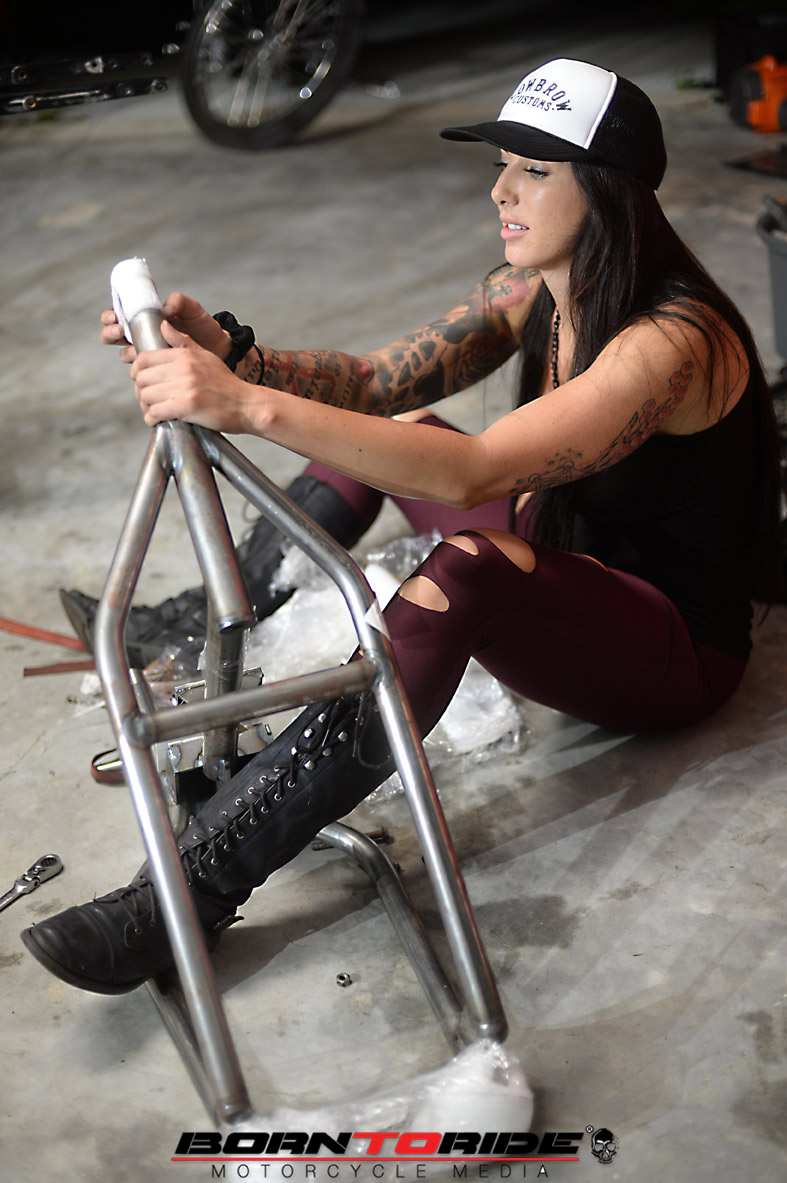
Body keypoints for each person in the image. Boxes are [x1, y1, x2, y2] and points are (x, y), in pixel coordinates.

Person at [22, 57, 782, 995]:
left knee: (464, 566)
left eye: (534, 171)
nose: (500, 191)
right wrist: (236, 357)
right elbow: (377, 383)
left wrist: (244, 406)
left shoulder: (672, 342)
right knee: (396, 433)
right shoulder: (533, 289)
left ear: (611, 191)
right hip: (564, 549)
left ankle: (188, 891)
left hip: (670, 650)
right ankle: (187, 626)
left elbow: (477, 468)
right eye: (502, 165)